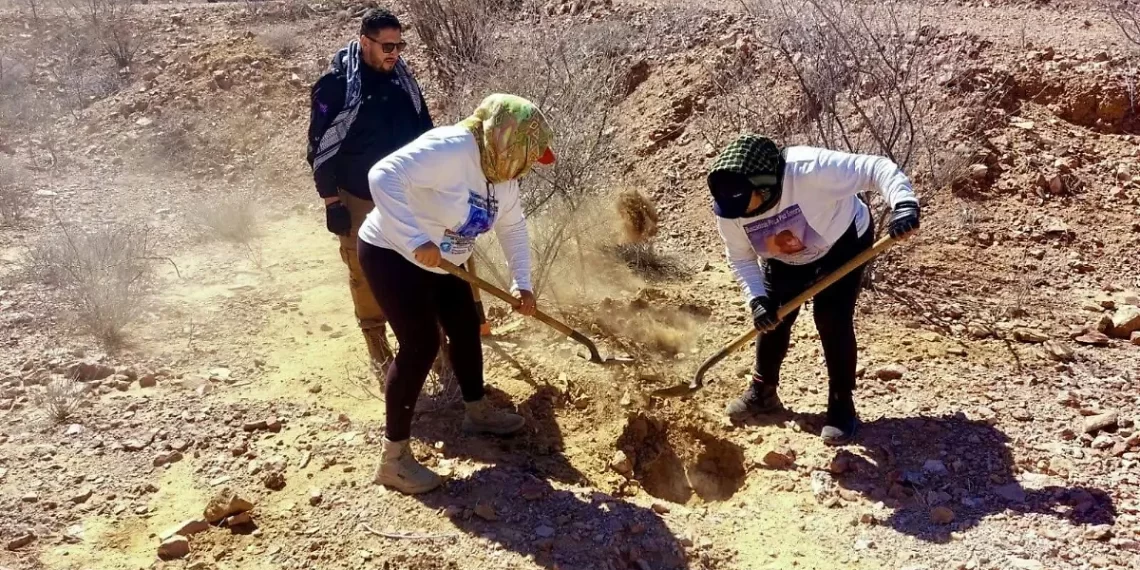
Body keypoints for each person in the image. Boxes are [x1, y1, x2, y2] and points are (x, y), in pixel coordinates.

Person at [357, 93, 556, 494]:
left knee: (466, 325)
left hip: (445, 258)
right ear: (506, 139)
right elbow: (382, 175)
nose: (530, 164)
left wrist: (523, 282)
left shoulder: (504, 177)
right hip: (393, 251)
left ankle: (476, 411)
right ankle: (393, 460)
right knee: (421, 343)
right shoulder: (450, 148)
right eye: (528, 154)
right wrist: (415, 238)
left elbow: (513, 228)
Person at [708, 134, 920, 445]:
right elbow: (740, 256)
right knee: (772, 317)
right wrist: (756, 299)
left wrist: (903, 203)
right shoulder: (730, 207)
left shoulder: (808, 169)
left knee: (831, 317)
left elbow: (875, 169)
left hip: (842, 243)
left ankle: (841, 404)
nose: (737, 213)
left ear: (765, 187)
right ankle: (763, 391)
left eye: (744, 204)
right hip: (784, 257)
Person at [306, 7, 433, 374]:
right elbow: (319, 146)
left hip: (407, 193)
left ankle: (425, 340)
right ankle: (377, 346)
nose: (394, 53)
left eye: (399, 45)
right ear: (365, 42)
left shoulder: (403, 82)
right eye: (386, 45)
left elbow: (424, 130)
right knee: (365, 272)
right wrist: (332, 202)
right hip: (358, 195)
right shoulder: (335, 86)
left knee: (417, 264)